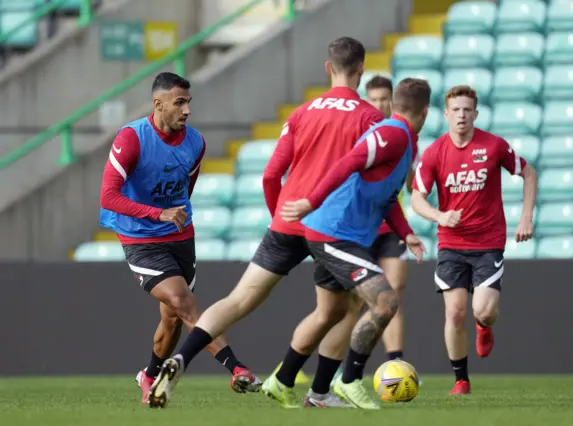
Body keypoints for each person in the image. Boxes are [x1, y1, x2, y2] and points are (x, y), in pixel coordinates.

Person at [146, 37, 385, 409]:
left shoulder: (302, 113)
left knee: (239, 299)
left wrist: (280, 217)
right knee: (343, 307)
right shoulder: (371, 118)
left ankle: (181, 358)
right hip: (329, 228)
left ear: (327, 68)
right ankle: (319, 391)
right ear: (361, 70)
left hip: (286, 220)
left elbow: (271, 175)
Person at [262, 77, 432, 410]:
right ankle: (350, 380)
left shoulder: (406, 141)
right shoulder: (392, 134)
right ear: (425, 111)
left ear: (396, 103)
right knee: (385, 301)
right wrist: (312, 201)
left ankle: (290, 385)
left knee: (334, 311)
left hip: (342, 233)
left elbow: (387, 198)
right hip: (334, 233)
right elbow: (349, 161)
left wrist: (405, 232)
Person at [99, 72, 260, 404]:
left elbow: (185, 189)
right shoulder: (132, 138)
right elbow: (108, 197)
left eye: (189, 103)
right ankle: (236, 368)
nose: (187, 110)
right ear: (159, 104)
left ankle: (149, 374)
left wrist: (171, 216)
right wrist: (157, 213)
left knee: (172, 318)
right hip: (141, 239)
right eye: (179, 103)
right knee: (184, 302)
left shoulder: (195, 142)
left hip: (180, 237)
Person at [410, 85, 537, 395]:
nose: (462, 115)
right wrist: (439, 216)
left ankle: (484, 327)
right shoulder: (435, 153)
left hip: (487, 242)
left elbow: (529, 174)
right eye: (456, 110)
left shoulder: (493, 146)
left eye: (467, 110)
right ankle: (461, 381)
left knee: (483, 310)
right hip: (451, 243)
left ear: (476, 113)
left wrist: (526, 218)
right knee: (454, 312)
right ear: (446, 114)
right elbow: (416, 198)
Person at [316, 74, 418, 391]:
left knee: (392, 293)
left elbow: (407, 183)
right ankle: (326, 370)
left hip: (388, 228)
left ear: (393, 101)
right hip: (354, 232)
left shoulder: (405, 139)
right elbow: (343, 170)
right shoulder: (366, 135)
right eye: (372, 99)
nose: (379, 105)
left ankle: (394, 362)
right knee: (345, 306)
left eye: (384, 99)